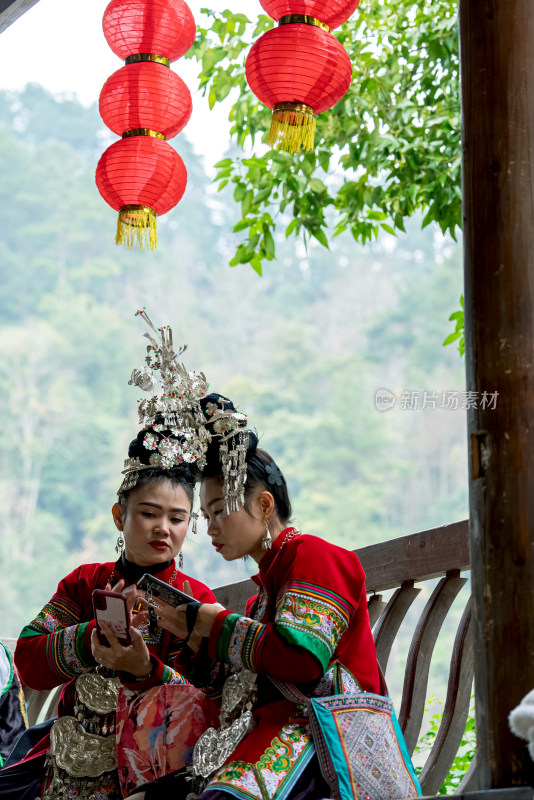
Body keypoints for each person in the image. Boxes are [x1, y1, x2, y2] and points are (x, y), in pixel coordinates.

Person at [128, 419, 382, 800]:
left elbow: (302, 659)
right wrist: (192, 634)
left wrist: (216, 626)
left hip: (317, 737)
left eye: (219, 511)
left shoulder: (316, 556)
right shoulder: (259, 598)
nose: (211, 528)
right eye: (206, 516)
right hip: (256, 735)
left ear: (264, 505)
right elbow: (228, 691)